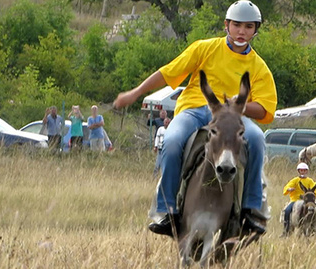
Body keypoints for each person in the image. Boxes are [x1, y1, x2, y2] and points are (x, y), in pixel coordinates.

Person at [113, 0, 277, 237]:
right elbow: (168, 72)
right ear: (226, 25)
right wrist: (136, 93)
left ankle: (251, 209)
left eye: (249, 26)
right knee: (171, 140)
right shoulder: (204, 48)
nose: (242, 31)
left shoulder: (259, 67)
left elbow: (264, 109)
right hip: (194, 109)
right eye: (237, 25)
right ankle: (165, 209)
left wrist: (238, 105)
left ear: (255, 30)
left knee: (257, 139)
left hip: (231, 118)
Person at [281, 163, 316, 236]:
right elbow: (287, 187)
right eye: (301, 170)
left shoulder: (310, 181)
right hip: (295, 200)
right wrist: (289, 189)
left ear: (306, 171)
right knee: (287, 211)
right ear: (299, 171)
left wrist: (311, 194)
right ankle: (286, 230)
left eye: (304, 171)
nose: (303, 172)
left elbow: (315, 191)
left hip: (307, 201)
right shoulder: (295, 180)